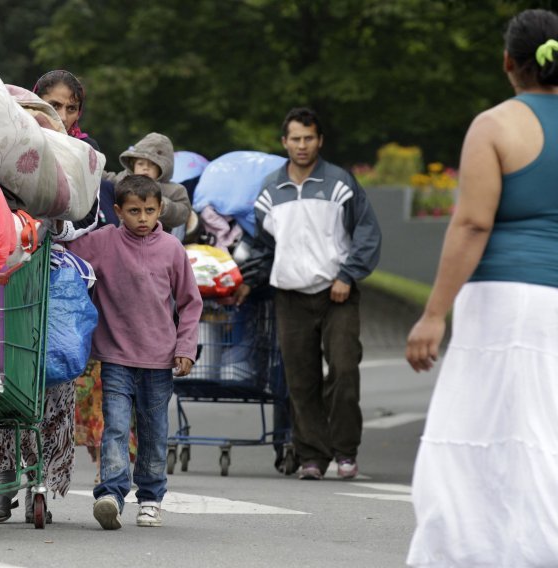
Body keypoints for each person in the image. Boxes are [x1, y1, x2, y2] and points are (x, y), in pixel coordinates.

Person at [405, 9, 558, 565]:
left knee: (475, 436)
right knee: (546, 434)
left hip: (506, 303)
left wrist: (434, 314)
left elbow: (472, 223)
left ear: (507, 63)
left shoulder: (496, 126)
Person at [235, 107, 381, 481]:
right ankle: (312, 456)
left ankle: (346, 451)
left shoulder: (341, 184)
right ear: (284, 143)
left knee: (344, 370)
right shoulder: (270, 191)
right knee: (301, 380)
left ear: (320, 141)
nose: (302, 145)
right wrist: (250, 281)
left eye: (309, 138)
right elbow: (266, 248)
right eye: (295, 139)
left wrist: (348, 276)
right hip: (290, 296)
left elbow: (367, 234)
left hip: (338, 293)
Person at [0, 69, 100, 524]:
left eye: (70, 108)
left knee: (53, 380)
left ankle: (44, 477)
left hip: (54, 285)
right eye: (52, 106)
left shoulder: (83, 159)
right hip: (6, 277)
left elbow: (89, 216)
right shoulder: (3, 151)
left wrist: (56, 223)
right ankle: (7, 473)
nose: (61, 116)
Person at [61, 174, 202, 529]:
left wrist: (186, 347)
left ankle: (151, 497)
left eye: (150, 211)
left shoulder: (172, 248)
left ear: (160, 211)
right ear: (118, 211)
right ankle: (111, 492)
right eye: (134, 211)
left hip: (159, 359)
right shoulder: (103, 242)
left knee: (154, 432)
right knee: (117, 427)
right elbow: (66, 257)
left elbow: (190, 303)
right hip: (115, 357)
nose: (143, 218)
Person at [103, 132, 192, 231]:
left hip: (157, 240)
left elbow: (183, 213)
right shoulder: (123, 180)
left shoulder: (174, 190)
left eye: (152, 164)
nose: (145, 168)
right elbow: (105, 179)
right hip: (123, 237)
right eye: (140, 164)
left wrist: (163, 205)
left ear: (163, 167)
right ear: (133, 166)